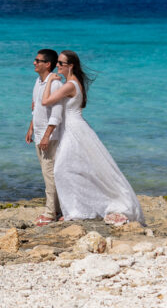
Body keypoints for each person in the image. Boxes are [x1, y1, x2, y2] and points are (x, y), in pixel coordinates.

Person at [41, 50, 145, 226]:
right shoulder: (74, 83)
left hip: (74, 130)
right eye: (57, 63)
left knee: (62, 169)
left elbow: (46, 102)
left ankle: (76, 210)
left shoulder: (70, 85)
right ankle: (76, 208)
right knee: (76, 168)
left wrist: (49, 80)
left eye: (61, 63)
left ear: (70, 66)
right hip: (74, 128)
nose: (57, 66)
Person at [27, 49, 64, 227]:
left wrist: (46, 136)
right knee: (47, 173)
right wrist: (31, 129)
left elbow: (56, 114)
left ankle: (50, 213)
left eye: (38, 60)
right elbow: (36, 110)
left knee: (50, 174)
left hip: (49, 137)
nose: (34, 63)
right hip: (39, 134)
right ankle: (56, 209)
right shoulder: (38, 82)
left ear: (47, 64)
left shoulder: (55, 84)